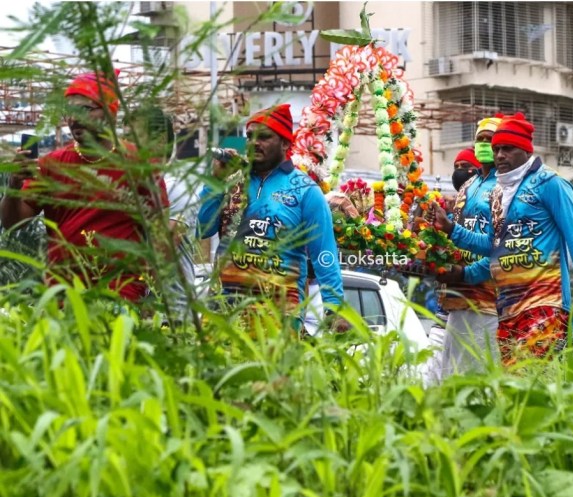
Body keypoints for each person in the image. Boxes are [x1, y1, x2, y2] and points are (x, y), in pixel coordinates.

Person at [433, 113, 573, 364]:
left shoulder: (550, 183)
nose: (499, 155)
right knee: (516, 390)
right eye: (496, 149)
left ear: (525, 150)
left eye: (508, 149)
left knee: (534, 380)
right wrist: (453, 237)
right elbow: (495, 248)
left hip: (545, 302)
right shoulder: (500, 192)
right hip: (508, 306)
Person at [0, 70, 169, 302]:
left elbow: (161, 235)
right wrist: (13, 187)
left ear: (109, 112)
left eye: (84, 110)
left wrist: (153, 298)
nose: (73, 119)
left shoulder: (140, 164)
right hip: (63, 297)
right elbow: (12, 223)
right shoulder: (52, 165)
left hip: (120, 298)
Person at [197, 104, 345, 330]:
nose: (254, 143)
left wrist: (334, 308)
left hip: (279, 316)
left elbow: (324, 254)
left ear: (285, 143)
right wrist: (215, 181)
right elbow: (202, 229)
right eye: (249, 136)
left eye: (264, 137)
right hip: (223, 312)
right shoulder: (231, 181)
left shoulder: (305, 190)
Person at [433, 120, 503, 376]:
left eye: (490, 140)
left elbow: (501, 248)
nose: (484, 145)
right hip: (456, 296)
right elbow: (454, 236)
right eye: (480, 139)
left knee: (477, 378)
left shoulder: (506, 186)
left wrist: (467, 273)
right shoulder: (467, 186)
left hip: (488, 298)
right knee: (450, 375)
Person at [127, 106, 205, 317]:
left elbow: (160, 254)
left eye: (133, 136)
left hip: (170, 317)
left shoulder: (176, 189)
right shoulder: (131, 184)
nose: (123, 146)